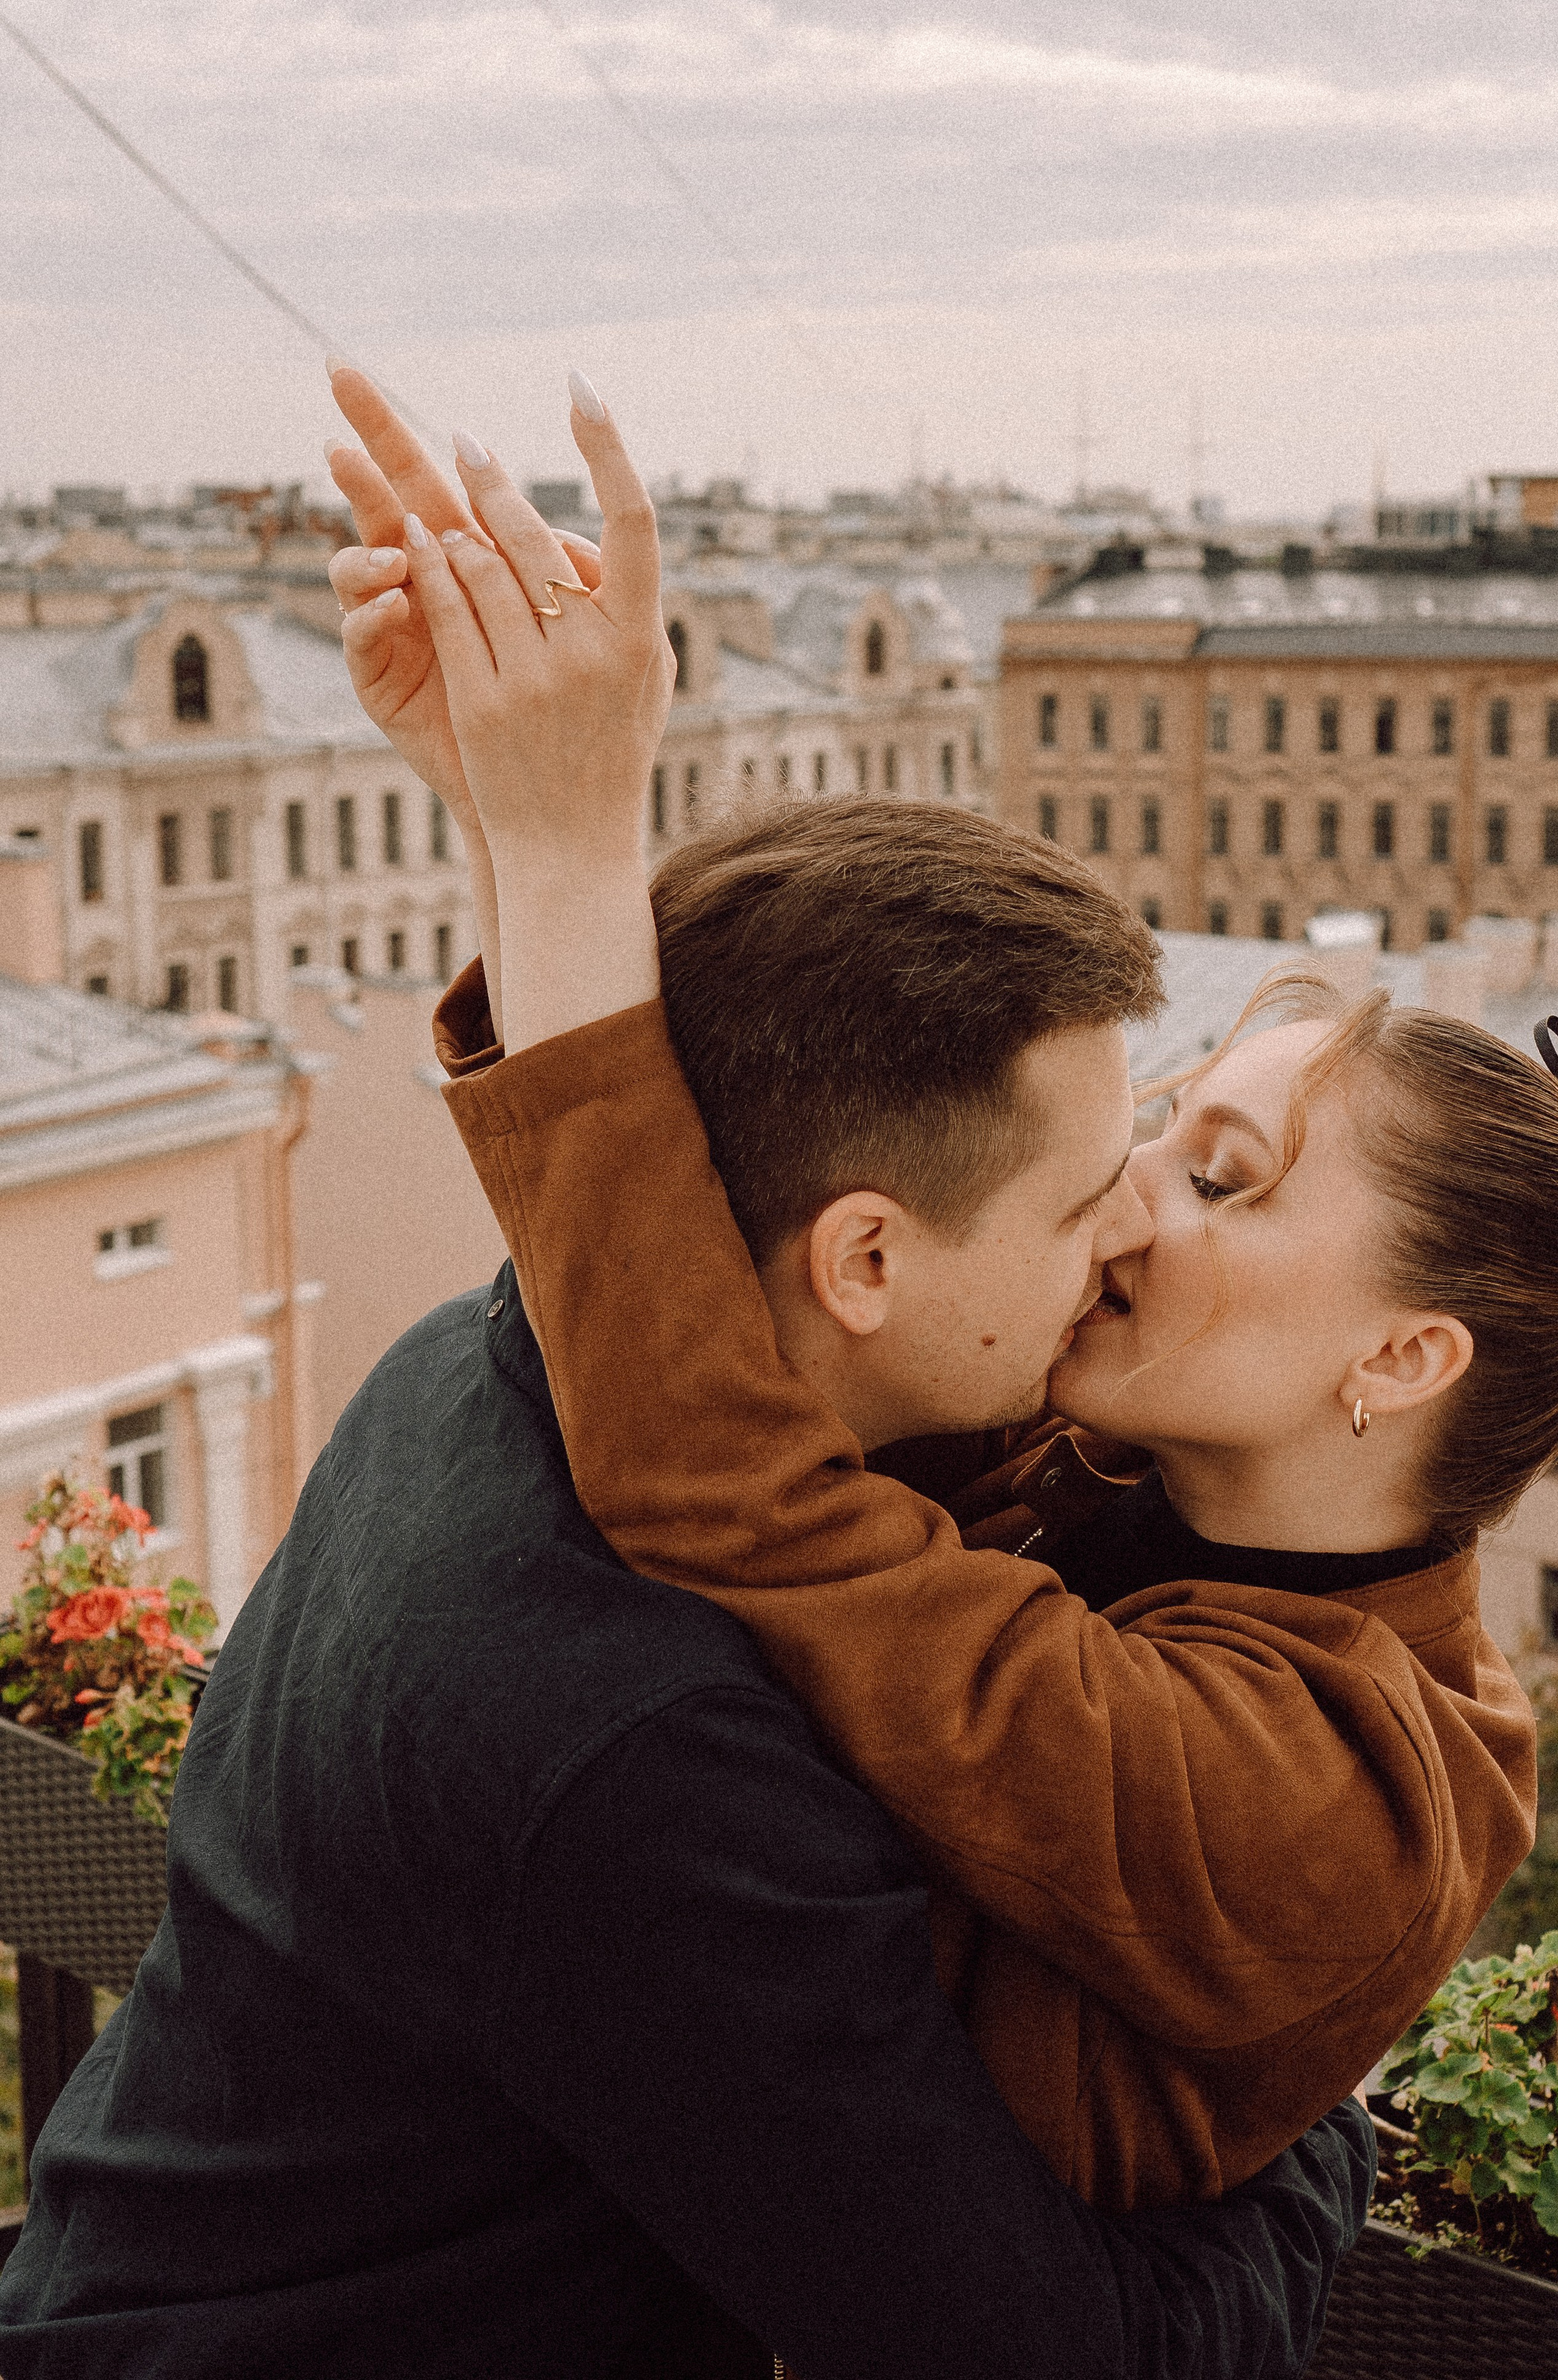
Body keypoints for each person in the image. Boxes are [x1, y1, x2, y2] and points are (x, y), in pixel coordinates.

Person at [0, 405, 1376, 2380]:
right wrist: (1315, 2106)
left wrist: (543, 828)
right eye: (1089, 1195)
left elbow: (617, 1172)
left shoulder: (479, 1366)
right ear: (867, 1262)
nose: (1136, 1226)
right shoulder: (641, 1741)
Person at [323, 371, 1556, 2226]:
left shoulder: (1337, 1790)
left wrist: (565, 843)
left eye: (1222, 1178)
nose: (1123, 1206)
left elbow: (727, 1474)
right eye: (1155, 1134)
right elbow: (739, 1253)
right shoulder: (1124, 1468)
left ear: (1402, 1356)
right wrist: (514, 807)